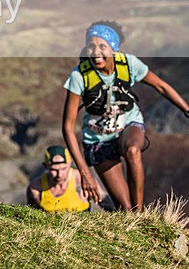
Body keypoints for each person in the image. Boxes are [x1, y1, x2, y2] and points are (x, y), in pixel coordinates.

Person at [62, 20, 189, 211]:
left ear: (114, 49)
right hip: (97, 140)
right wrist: (84, 173)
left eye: (102, 46)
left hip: (129, 125)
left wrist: (186, 109)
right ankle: (132, 216)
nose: (96, 52)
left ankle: (140, 214)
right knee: (124, 209)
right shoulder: (79, 76)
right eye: (91, 46)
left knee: (132, 150)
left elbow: (161, 86)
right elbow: (67, 127)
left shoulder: (129, 64)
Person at [26, 145, 94, 212]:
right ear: (46, 166)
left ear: (70, 163)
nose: (59, 175)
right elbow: (30, 215)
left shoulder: (83, 180)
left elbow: (103, 200)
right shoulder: (35, 188)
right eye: (54, 170)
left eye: (64, 169)